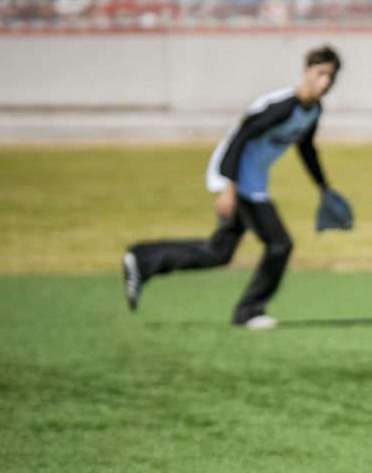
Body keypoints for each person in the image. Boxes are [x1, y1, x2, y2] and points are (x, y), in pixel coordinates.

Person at [122, 45, 342, 329]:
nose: (325, 81)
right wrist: (229, 187)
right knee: (279, 244)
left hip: (249, 179)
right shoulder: (283, 106)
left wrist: (323, 186)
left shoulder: (312, 110)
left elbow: (306, 147)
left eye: (331, 77)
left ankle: (143, 259)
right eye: (320, 74)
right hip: (237, 176)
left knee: (219, 252)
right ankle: (249, 311)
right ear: (305, 73)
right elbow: (241, 136)